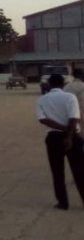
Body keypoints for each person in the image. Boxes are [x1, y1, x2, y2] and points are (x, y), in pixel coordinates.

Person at [36, 73, 84, 210]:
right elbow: (74, 117)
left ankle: (63, 203)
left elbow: (43, 119)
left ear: (49, 84)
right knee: (80, 171)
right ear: (63, 84)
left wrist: (62, 129)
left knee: (57, 172)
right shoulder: (70, 97)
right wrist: (69, 136)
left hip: (53, 138)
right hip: (73, 137)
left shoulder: (42, 99)